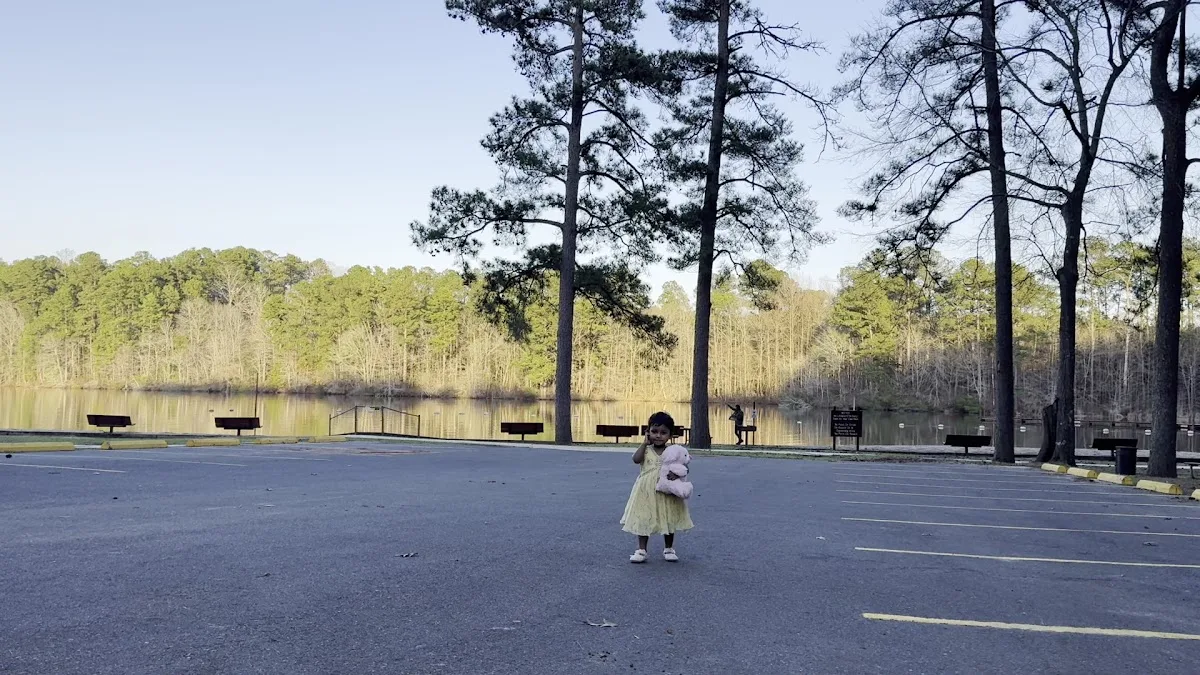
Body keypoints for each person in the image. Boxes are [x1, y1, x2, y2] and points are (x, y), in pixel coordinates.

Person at [621, 411, 694, 563]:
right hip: (646, 491)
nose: (658, 436)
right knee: (644, 518)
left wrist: (677, 475)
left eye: (663, 433)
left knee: (669, 518)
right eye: (654, 432)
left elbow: (684, 466)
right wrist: (643, 443)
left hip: (667, 491)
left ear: (670, 435)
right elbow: (636, 460)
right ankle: (641, 550)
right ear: (648, 432)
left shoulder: (674, 451)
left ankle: (669, 548)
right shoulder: (646, 450)